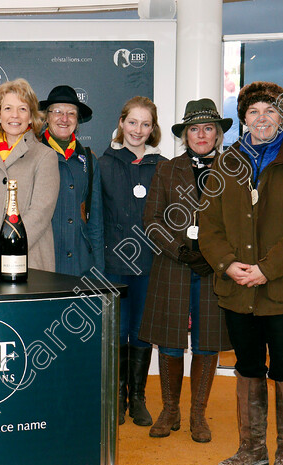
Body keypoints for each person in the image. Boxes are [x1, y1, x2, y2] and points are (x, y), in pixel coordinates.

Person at [198, 81, 283, 465]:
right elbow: (209, 226)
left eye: (271, 110)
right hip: (237, 288)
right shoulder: (225, 164)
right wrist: (228, 264)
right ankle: (252, 448)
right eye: (254, 111)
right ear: (243, 117)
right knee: (247, 367)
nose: (262, 118)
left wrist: (266, 269)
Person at [141, 98, 232, 440]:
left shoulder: (233, 169)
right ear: (185, 135)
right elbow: (150, 220)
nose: (202, 135)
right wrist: (179, 250)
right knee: (170, 342)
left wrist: (218, 257)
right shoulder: (166, 169)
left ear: (218, 133)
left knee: (207, 343)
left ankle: (198, 415)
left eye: (209, 128)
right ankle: (170, 410)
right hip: (173, 266)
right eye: (194, 129)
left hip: (214, 271)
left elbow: (240, 224)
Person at [98, 96, 166, 426]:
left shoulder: (163, 165)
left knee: (140, 331)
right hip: (113, 263)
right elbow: (94, 216)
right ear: (122, 123)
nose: (138, 130)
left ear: (153, 129)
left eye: (146, 124)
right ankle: (117, 396)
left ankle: (137, 397)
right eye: (133, 122)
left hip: (150, 264)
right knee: (117, 331)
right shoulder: (103, 163)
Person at [0, 78, 59, 270]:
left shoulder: (45, 156)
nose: (14, 115)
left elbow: (40, 215)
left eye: (22, 109)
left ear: (31, 117)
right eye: (7, 108)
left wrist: (1, 255)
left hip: (28, 261)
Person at [38, 85, 104, 277]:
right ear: (47, 117)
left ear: (77, 120)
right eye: (57, 111)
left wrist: (97, 271)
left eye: (71, 113)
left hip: (80, 264)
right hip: (44, 263)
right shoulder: (32, 154)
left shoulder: (89, 160)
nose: (64, 119)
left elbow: (96, 223)